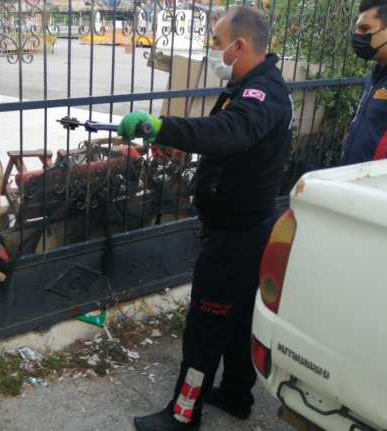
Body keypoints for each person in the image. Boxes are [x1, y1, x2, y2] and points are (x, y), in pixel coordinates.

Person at [117, 6, 294, 431]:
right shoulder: (250, 84)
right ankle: (236, 394)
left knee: (206, 324)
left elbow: (229, 133)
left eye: (216, 42)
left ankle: (183, 414)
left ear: (240, 45)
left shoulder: (260, 94)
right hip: (246, 228)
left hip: (236, 237)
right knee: (236, 321)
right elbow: (226, 138)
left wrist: (160, 127)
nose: (212, 51)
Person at [341, 0, 387, 165]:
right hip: (355, 181)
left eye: (364, 29)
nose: (356, 35)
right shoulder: (377, 75)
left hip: (382, 188)